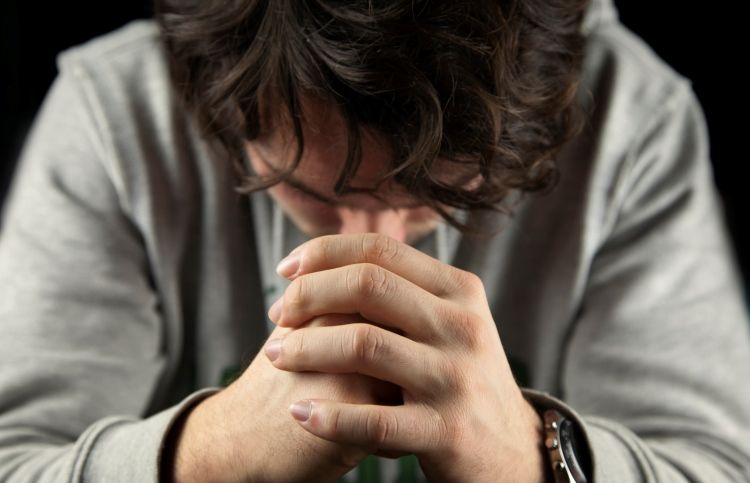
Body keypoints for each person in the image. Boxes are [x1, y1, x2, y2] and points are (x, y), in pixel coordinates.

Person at [0, 0, 749, 481]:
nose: (374, 257)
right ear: (214, 107)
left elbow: (717, 465)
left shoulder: (627, 121)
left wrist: (529, 459)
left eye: (445, 196)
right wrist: (210, 452)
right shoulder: (114, 117)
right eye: (307, 188)